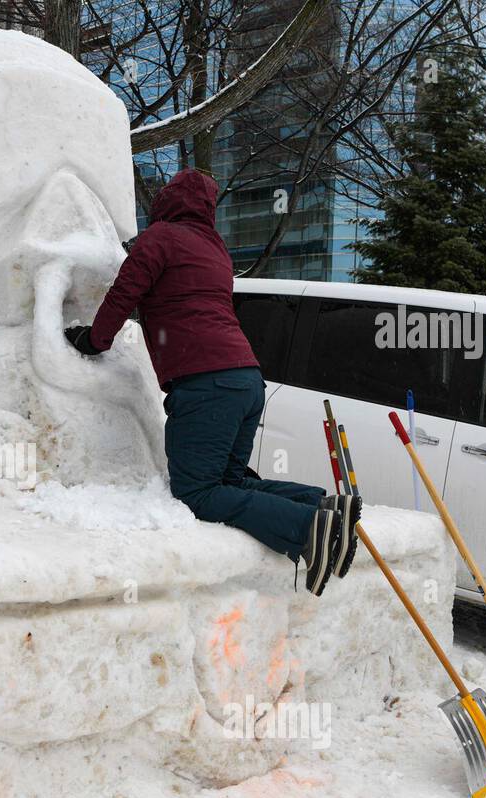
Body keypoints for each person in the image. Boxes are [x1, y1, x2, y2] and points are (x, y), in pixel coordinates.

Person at [65, 168, 360, 596]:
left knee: (198, 492)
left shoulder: (160, 238)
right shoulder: (215, 249)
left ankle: (309, 527)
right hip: (246, 378)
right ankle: (320, 505)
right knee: (231, 481)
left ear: (167, 201)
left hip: (206, 383)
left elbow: (123, 293)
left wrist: (94, 340)